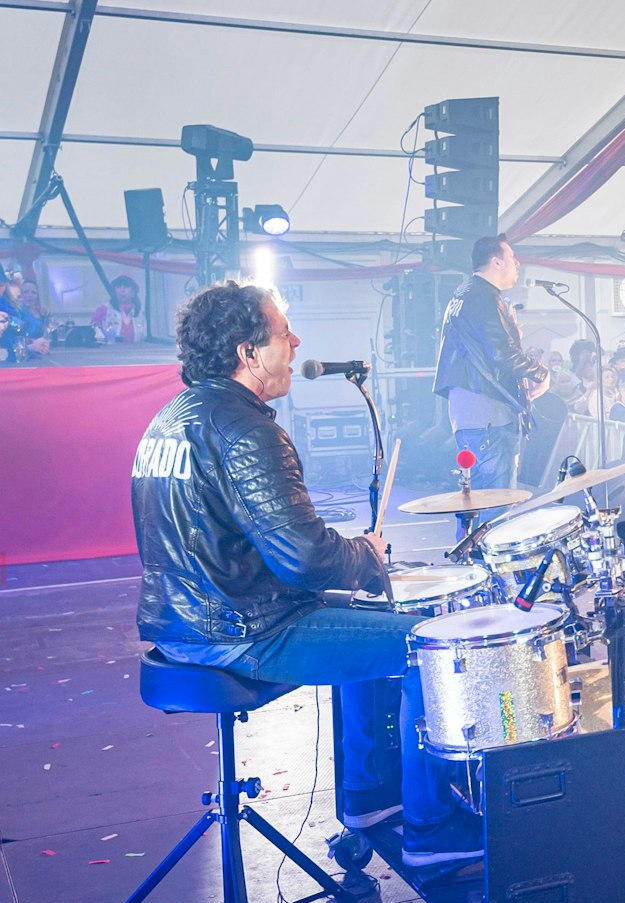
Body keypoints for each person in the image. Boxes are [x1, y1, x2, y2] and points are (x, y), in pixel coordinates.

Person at [131, 282, 479, 868]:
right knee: (429, 645)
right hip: (242, 631)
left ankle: (368, 799)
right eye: (281, 333)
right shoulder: (245, 429)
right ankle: (430, 829)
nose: (295, 342)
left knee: (368, 630)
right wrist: (365, 555)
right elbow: (303, 559)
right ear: (249, 352)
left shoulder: (169, 420)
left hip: (182, 622)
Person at [433, 236, 550, 500]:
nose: (517, 263)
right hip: (489, 416)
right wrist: (541, 373)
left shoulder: (463, 295)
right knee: (498, 505)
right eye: (512, 257)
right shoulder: (484, 297)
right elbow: (501, 354)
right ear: (496, 262)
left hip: (471, 414)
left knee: (473, 502)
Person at [94, 275, 144, 344]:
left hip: (139, 353)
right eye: (118, 287)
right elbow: (93, 334)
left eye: (126, 286)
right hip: (110, 352)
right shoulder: (103, 310)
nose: (122, 290)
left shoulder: (141, 313)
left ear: (133, 292)